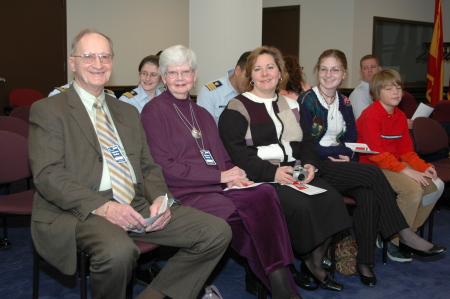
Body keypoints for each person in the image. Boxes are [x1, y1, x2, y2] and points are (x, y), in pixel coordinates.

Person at [28, 29, 231, 299]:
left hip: (134, 203)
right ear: (72, 62)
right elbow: (48, 175)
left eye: (105, 56)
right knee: (119, 252)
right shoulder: (49, 110)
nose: (98, 64)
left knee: (216, 231)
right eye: (88, 56)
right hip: (81, 208)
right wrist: (105, 207)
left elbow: (148, 166)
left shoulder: (127, 111)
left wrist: (161, 198)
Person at [141, 45, 302, 299]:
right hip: (185, 193)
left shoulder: (202, 114)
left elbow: (222, 156)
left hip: (220, 188)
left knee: (266, 195)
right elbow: (165, 170)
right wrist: (221, 177)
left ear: (195, 75)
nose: (180, 79)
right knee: (245, 222)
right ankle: (282, 289)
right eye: (173, 73)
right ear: (163, 77)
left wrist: (236, 175)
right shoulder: (154, 112)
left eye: (185, 72)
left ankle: (278, 284)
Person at [298, 49, 446, 286]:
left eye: (335, 69)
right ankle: (403, 233)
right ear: (318, 71)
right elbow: (305, 143)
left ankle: (364, 262)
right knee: (374, 173)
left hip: (344, 166)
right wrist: (338, 154)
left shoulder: (344, 102)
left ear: (344, 73)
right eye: (324, 69)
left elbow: (353, 139)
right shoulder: (306, 100)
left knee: (367, 195)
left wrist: (346, 154)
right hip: (317, 166)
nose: (329, 74)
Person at [219, 46, 352, 292]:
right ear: (250, 75)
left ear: (280, 73)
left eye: (270, 67)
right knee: (301, 207)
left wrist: (311, 164)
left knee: (333, 200)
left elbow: (307, 143)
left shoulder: (293, 104)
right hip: (262, 177)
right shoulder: (237, 107)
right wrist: (273, 174)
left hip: (295, 170)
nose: (265, 73)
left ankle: (312, 261)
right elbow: (237, 152)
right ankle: (307, 262)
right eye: (258, 69)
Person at [356, 69, 445, 261]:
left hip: (394, 163)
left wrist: (422, 167)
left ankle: (403, 234)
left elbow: (407, 151)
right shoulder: (371, 115)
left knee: (434, 187)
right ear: (377, 92)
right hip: (372, 165)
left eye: (398, 87)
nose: (396, 92)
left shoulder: (400, 116)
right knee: (412, 190)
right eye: (389, 88)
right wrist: (407, 171)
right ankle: (394, 243)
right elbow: (375, 154)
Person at [197, 51, 251, 124]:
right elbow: (206, 129)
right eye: (248, 77)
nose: (250, 82)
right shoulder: (210, 92)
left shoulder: (258, 93)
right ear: (238, 70)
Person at [349, 54, 381, 120]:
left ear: (379, 69)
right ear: (361, 73)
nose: (369, 70)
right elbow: (364, 121)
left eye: (373, 67)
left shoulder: (381, 91)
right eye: (365, 68)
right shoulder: (359, 94)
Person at [48, 80, 117, 98]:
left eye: (104, 57)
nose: (97, 66)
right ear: (73, 64)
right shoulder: (59, 95)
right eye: (88, 57)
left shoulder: (110, 96)